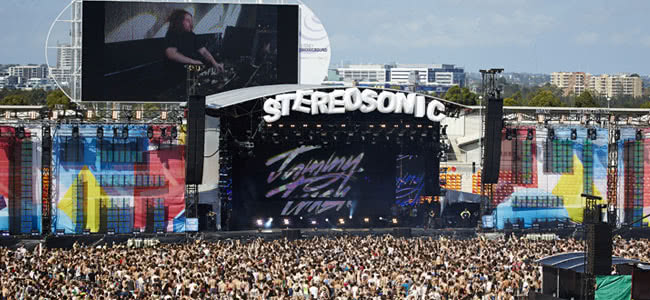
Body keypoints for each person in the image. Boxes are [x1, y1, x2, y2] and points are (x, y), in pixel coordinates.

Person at [164, 9, 224, 85]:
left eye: (191, 21)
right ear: (179, 21)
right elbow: (171, 54)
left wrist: (215, 63)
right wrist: (194, 62)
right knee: (200, 68)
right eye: (188, 20)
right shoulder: (172, 34)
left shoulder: (190, 35)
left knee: (206, 66)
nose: (191, 23)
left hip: (188, 68)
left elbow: (203, 51)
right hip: (176, 71)